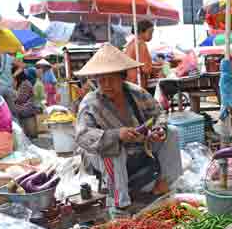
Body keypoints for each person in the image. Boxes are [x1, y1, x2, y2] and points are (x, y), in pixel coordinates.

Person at [75, 44, 182, 215]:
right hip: (100, 154)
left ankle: (163, 183)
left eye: (111, 79)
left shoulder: (136, 92)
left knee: (173, 132)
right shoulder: (90, 103)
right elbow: (82, 136)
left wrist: (158, 129)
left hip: (139, 145)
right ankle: (120, 204)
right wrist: (117, 135)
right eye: (101, 80)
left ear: (122, 77)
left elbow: (159, 114)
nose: (106, 84)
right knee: (113, 149)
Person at [125, 20, 162, 89]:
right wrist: (161, 69)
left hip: (130, 82)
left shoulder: (131, 43)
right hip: (137, 83)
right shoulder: (141, 44)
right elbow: (146, 69)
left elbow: (140, 64)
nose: (152, 36)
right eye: (150, 32)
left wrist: (156, 66)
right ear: (141, 32)